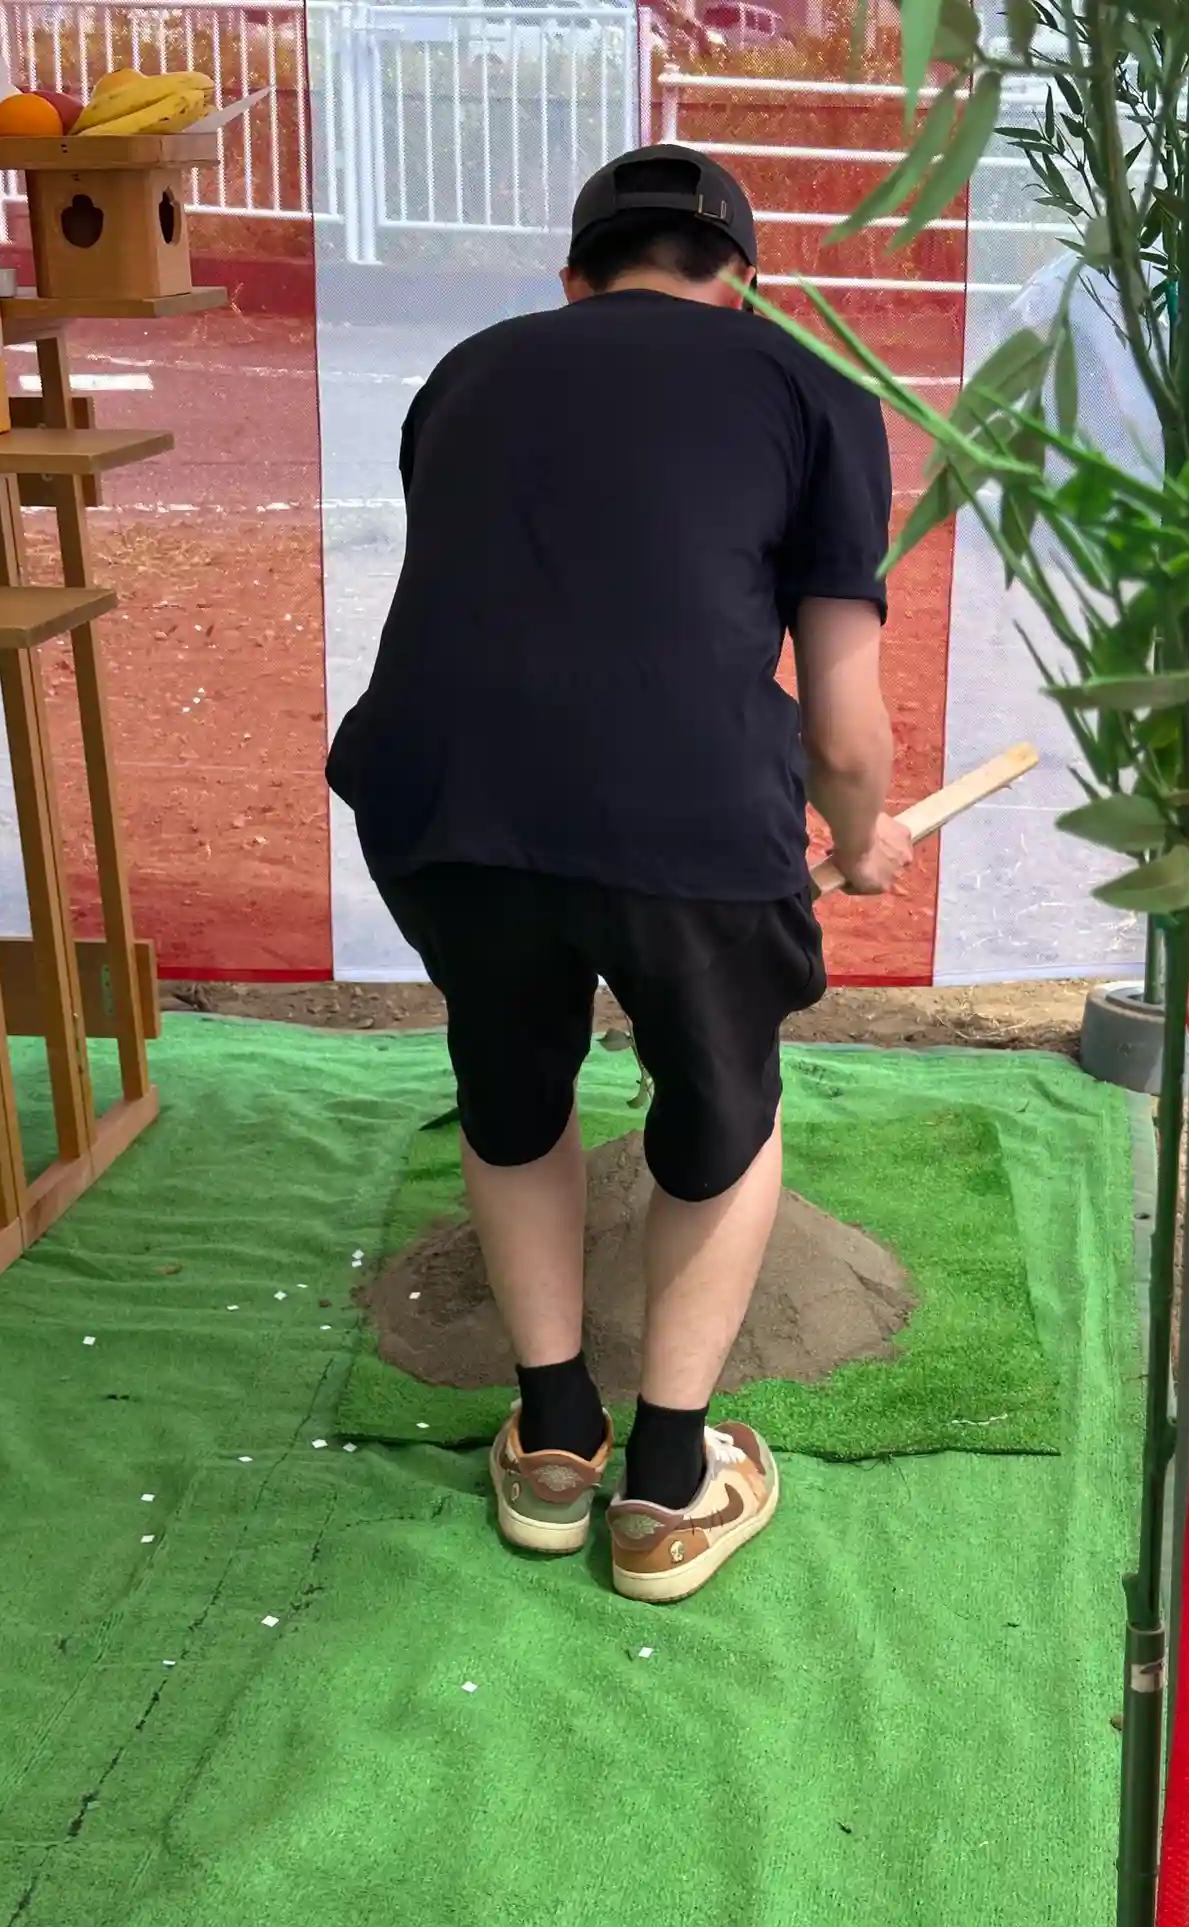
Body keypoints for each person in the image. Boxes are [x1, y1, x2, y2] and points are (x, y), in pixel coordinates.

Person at [327, 143, 911, 1603]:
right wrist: (863, 836)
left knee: (512, 1087)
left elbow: (508, 604)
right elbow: (846, 724)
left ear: (576, 281)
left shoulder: (469, 373)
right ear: (743, 284)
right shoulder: (811, 388)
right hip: (688, 815)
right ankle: (666, 1484)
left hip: (444, 799)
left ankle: (551, 1443)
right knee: (725, 1115)